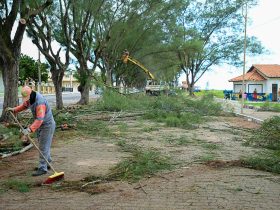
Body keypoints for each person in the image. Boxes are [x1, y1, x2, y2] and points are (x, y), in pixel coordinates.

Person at [6, 86, 56, 176]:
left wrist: (29, 130)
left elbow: (40, 119)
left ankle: (43, 168)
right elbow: (24, 105)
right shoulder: (31, 98)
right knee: (43, 144)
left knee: (43, 146)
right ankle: (47, 162)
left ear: (31, 93)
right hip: (41, 125)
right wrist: (14, 110)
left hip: (47, 125)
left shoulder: (40, 102)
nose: (26, 100)